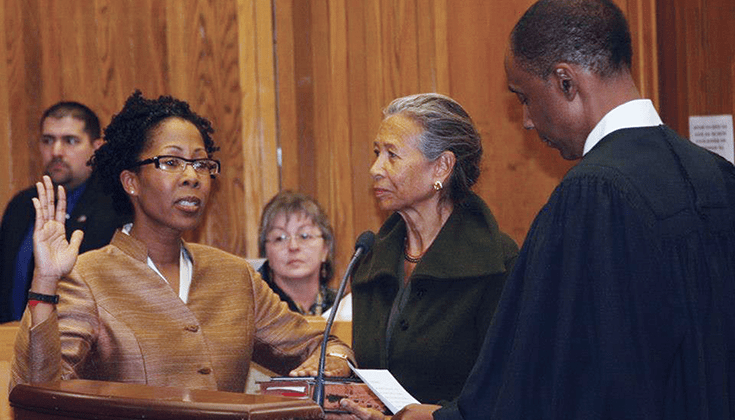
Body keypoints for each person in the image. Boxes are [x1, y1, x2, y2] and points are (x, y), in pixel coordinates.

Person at [353, 0, 735, 419]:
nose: (528, 120)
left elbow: (544, 380)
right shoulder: (716, 175)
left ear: (565, 82)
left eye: (525, 98)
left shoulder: (592, 197)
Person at [10, 91, 353, 392]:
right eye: (171, 162)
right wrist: (45, 282)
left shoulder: (235, 276)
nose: (192, 176)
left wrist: (335, 359)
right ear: (131, 182)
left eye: (201, 164)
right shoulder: (87, 276)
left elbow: (324, 346)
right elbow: (36, 391)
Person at [347, 93, 519, 407]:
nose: (375, 168)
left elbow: (508, 388)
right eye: (376, 153)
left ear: (441, 167)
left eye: (392, 155)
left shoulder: (498, 264)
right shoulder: (370, 261)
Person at [0, 102, 129, 323]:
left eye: (70, 141)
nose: (56, 151)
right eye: (48, 140)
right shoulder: (22, 204)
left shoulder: (118, 206)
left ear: (97, 148)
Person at [257, 190, 342, 317]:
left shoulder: (345, 308)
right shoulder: (255, 309)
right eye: (280, 238)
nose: (293, 246)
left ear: (325, 249)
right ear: (266, 252)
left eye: (304, 236)